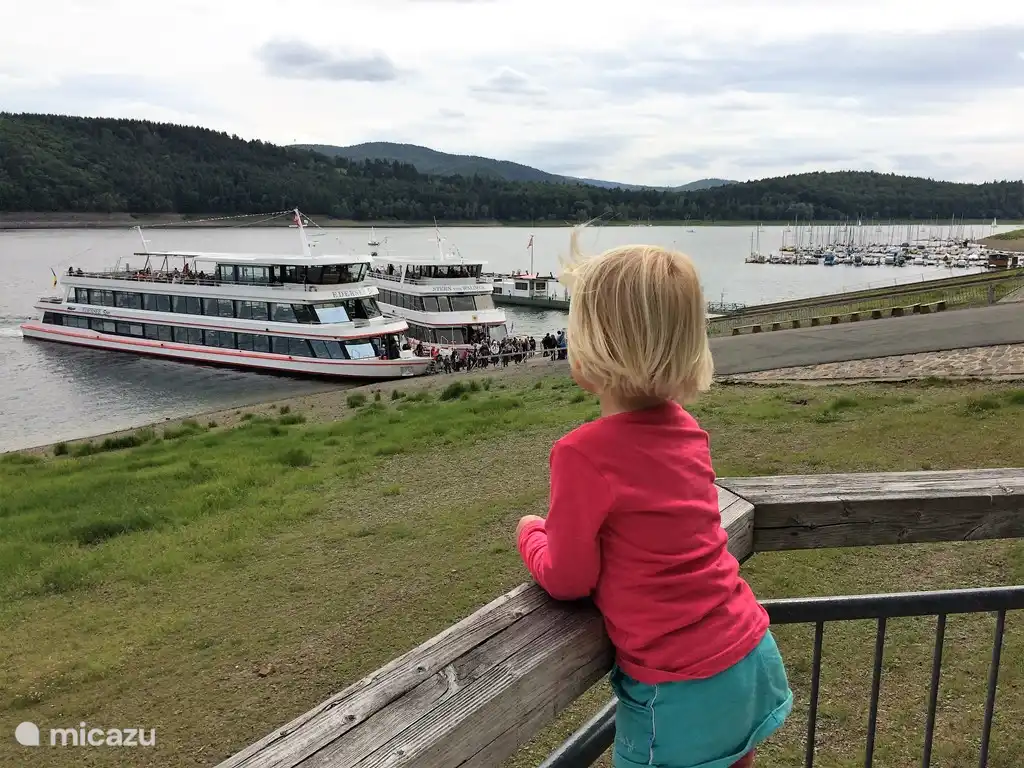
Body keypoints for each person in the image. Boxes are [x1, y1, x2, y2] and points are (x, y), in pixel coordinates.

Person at [515, 234, 791, 768]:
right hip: (746, 651)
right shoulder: (687, 430)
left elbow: (569, 577)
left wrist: (531, 534)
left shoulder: (582, 454)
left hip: (680, 685)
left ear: (593, 347)